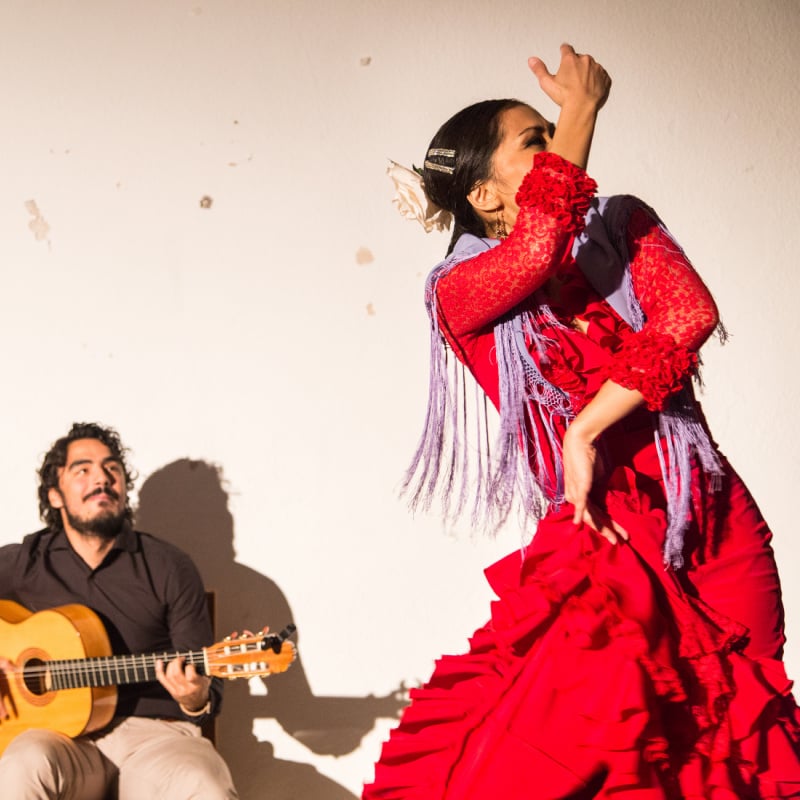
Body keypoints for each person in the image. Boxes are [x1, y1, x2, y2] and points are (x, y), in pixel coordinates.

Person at [365, 45, 800, 798]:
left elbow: (690, 315)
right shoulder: (460, 293)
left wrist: (585, 425)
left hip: (709, 512)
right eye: (537, 140)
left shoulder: (624, 225)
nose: (561, 145)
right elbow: (538, 249)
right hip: (606, 529)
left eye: (556, 132)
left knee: (741, 733)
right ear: (484, 196)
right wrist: (582, 108)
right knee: (599, 744)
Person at [0, 422, 238, 800]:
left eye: (112, 469)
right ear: (55, 495)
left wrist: (195, 696)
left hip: (156, 739)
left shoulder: (169, 566)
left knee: (204, 785)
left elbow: (207, 686)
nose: (102, 478)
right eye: (83, 469)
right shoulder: (24, 563)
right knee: (20, 765)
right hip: (62, 741)